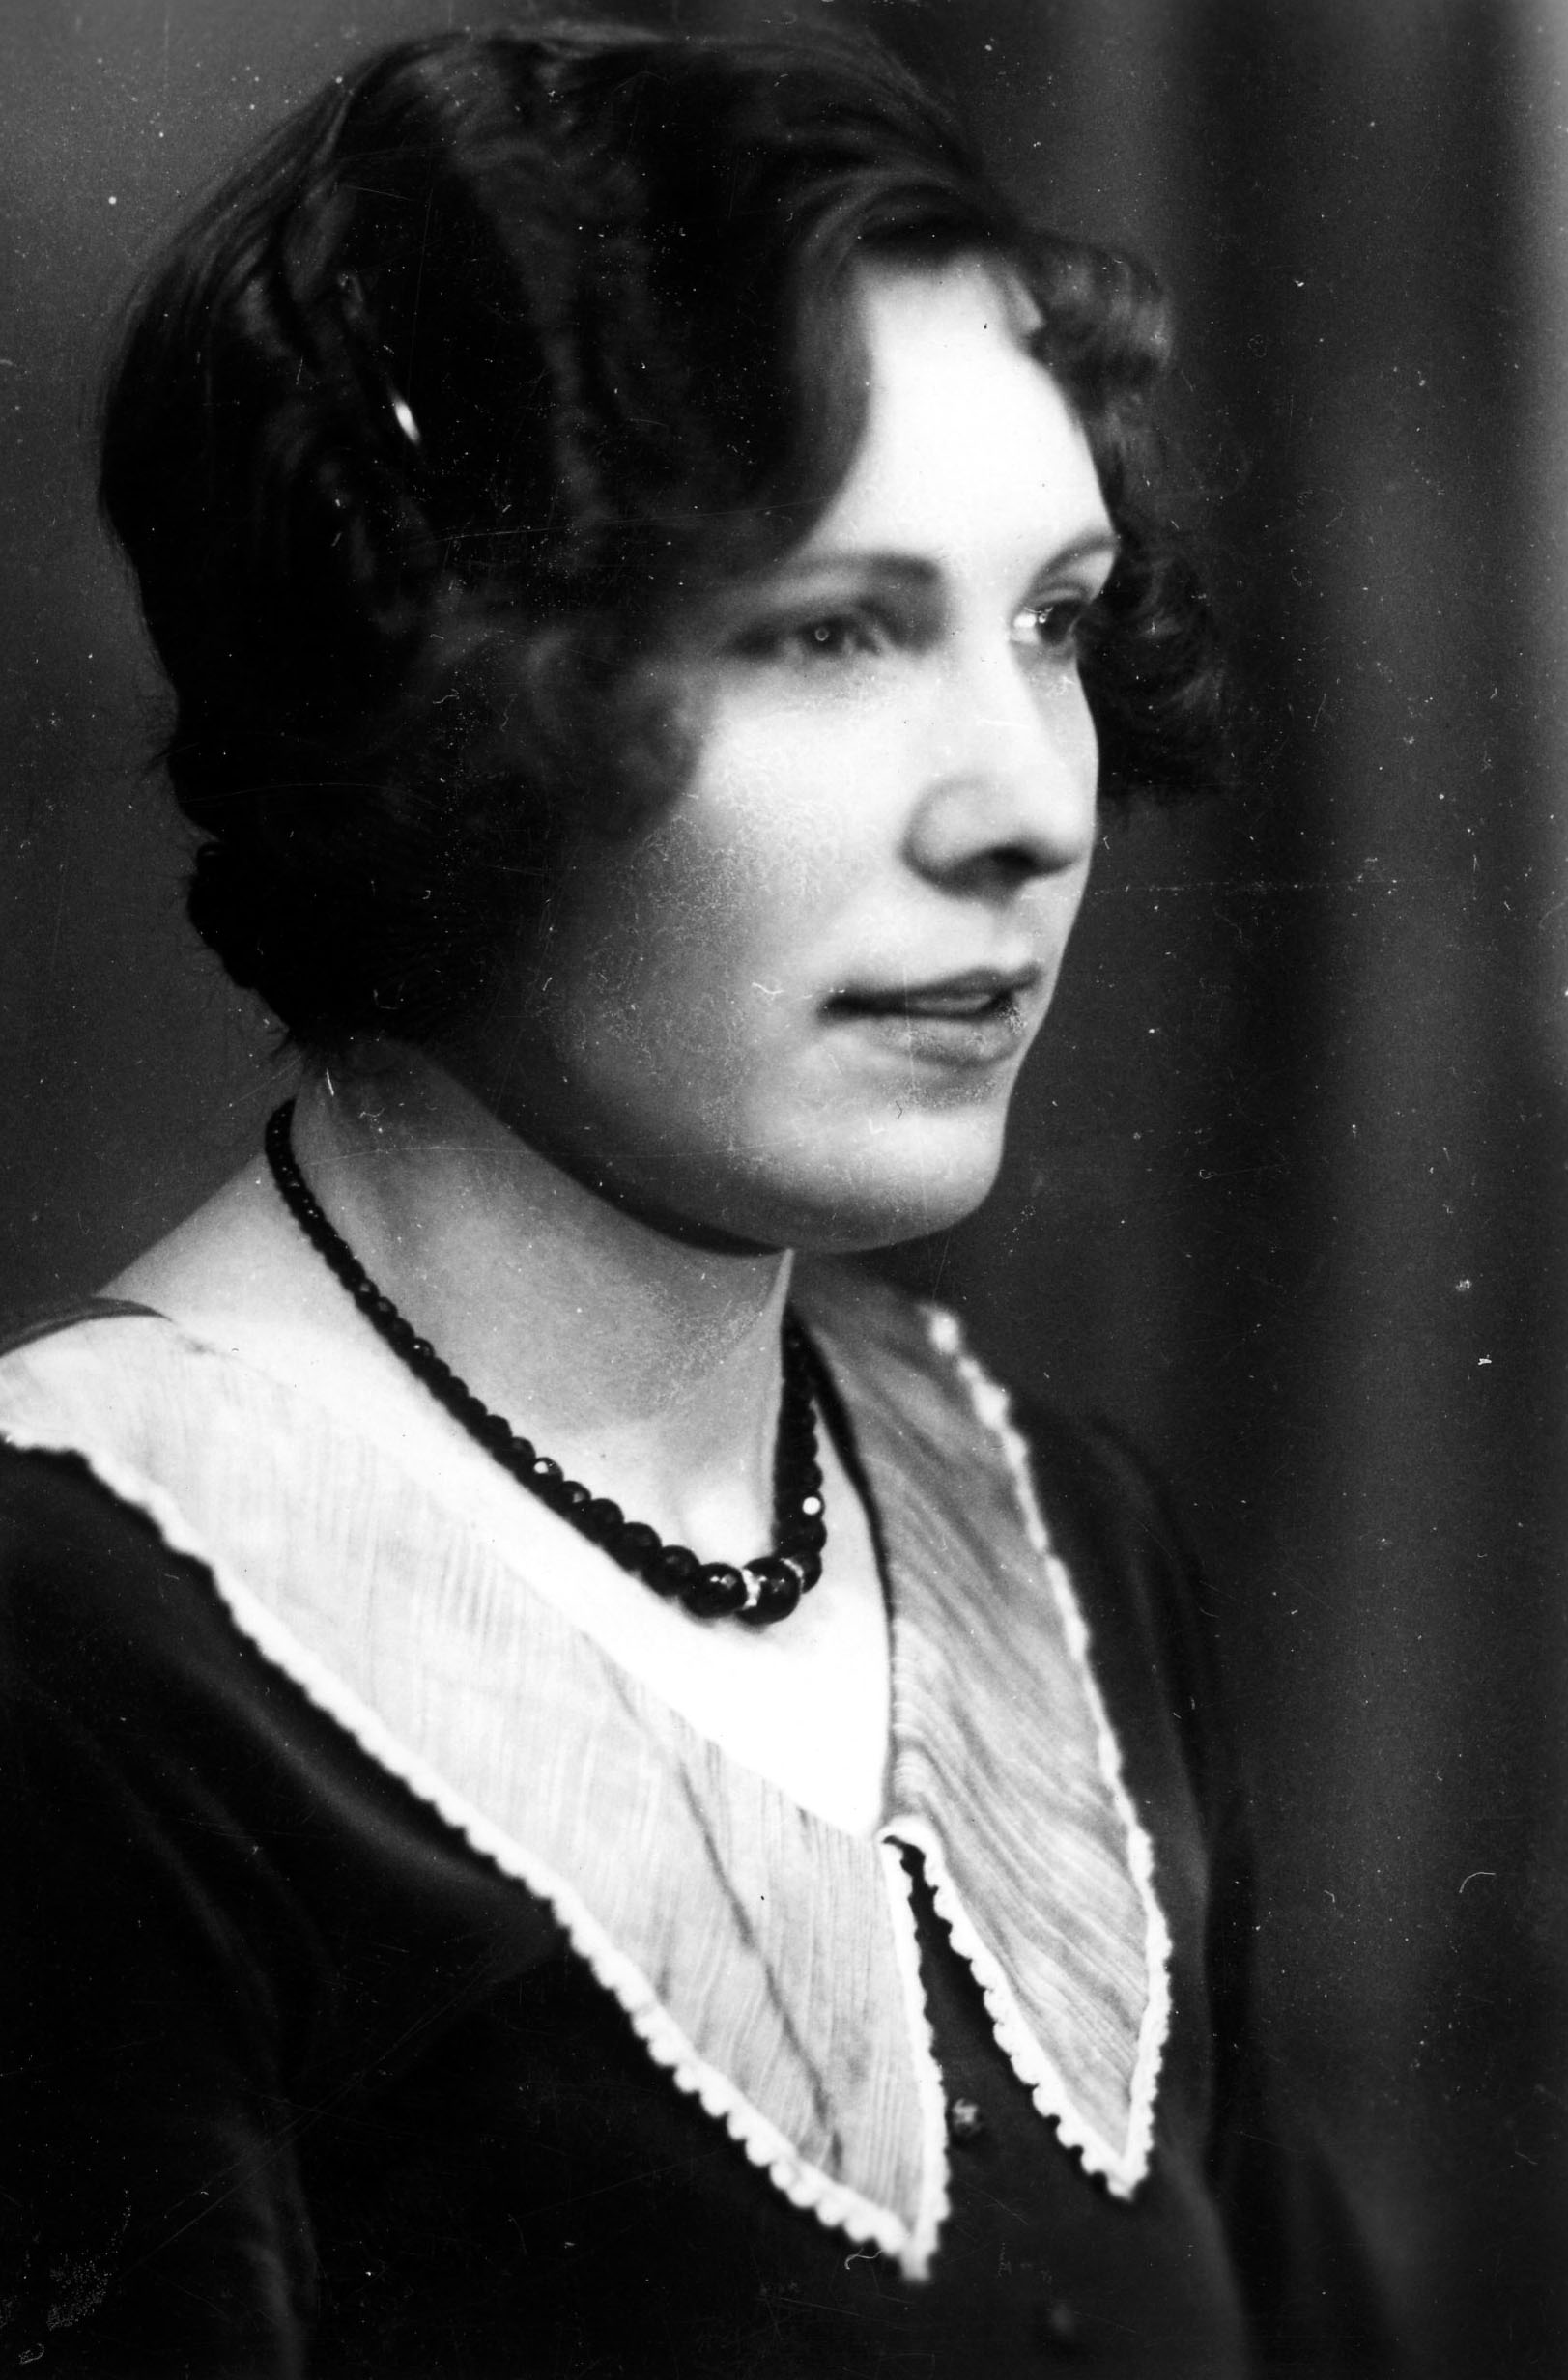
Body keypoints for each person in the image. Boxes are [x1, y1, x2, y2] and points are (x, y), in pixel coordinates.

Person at [0, 21, 1390, 2376]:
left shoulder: (1057, 1534)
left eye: (1054, 619)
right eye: (832, 631)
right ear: (451, 699)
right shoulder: (83, 1652)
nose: (1027, 807)